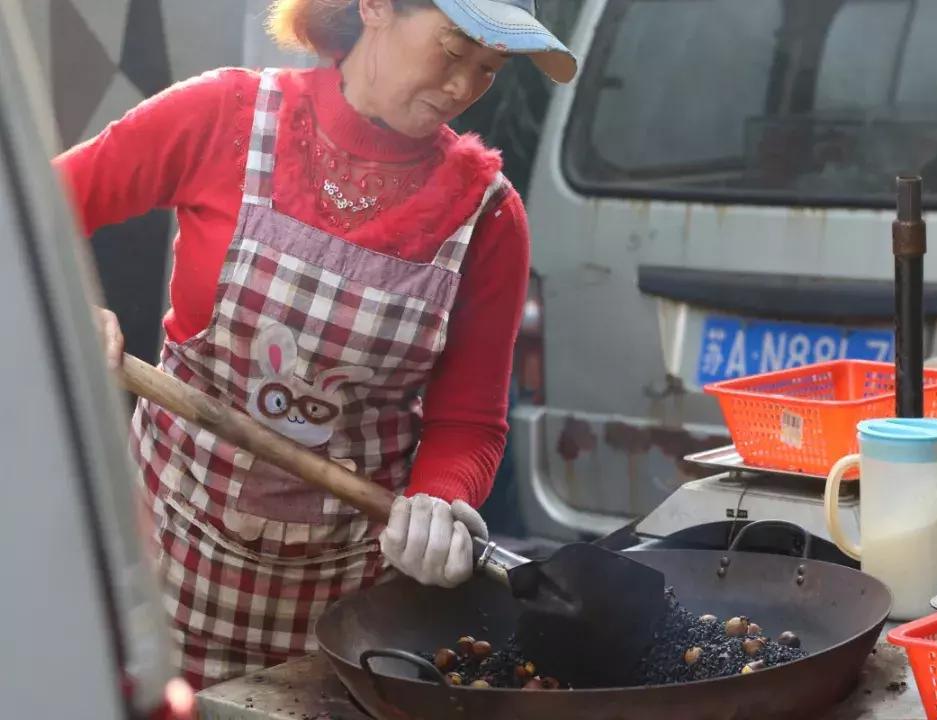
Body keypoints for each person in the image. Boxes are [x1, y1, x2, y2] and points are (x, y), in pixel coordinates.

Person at [54, 0, 576, 689]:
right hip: (159, 582)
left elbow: (469, 423)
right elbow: (31, 211)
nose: (463, 87)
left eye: (489, 69)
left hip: (345, 624)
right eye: (454, 50)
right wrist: (63, 307)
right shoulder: (225, 117)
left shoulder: (488, 216)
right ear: (376, 7)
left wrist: (437, 503)